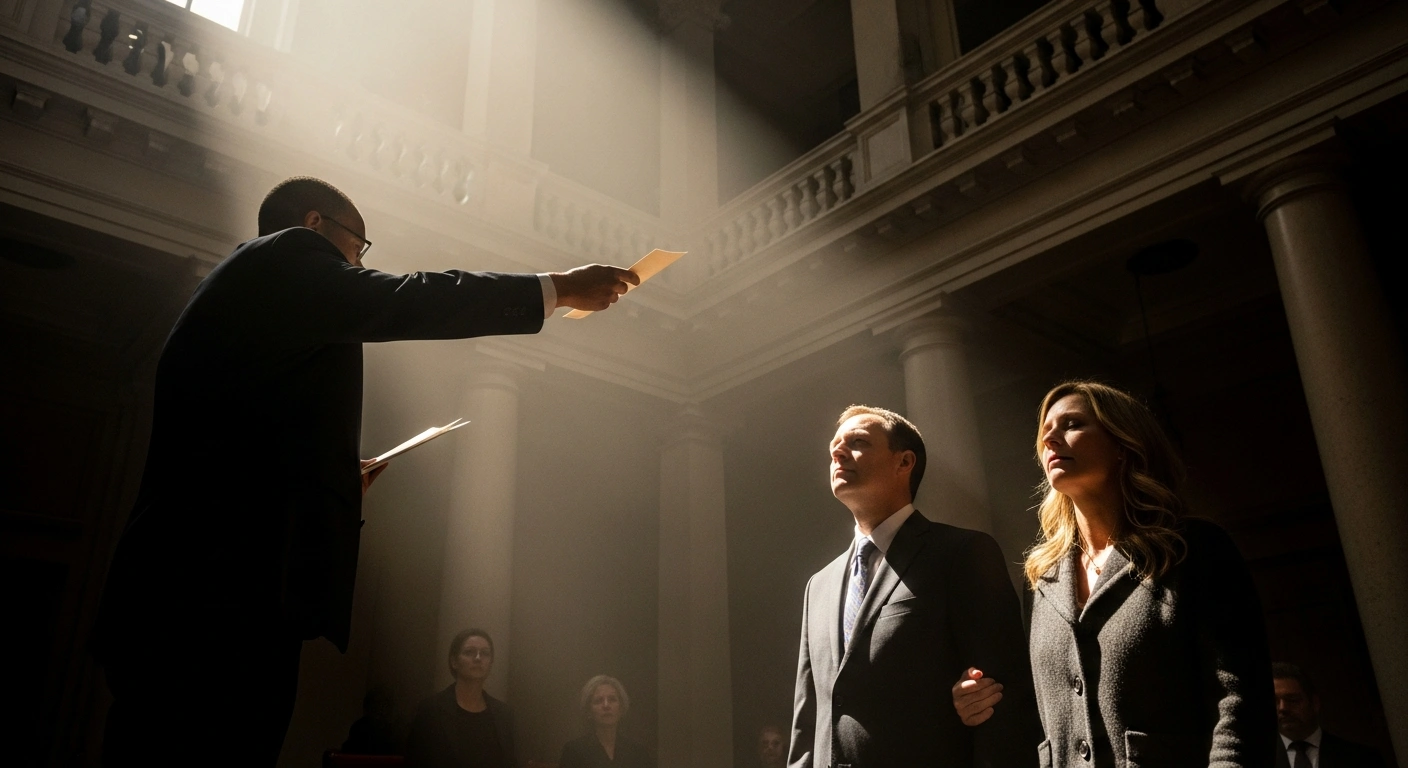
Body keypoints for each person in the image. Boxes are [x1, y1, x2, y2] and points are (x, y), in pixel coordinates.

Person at [93, 176, 638, 765]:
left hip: (199, 585)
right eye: (358, 248)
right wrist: (554, 288)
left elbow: (239, 442)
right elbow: (406, 297)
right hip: (212, 598)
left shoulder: (247, 299)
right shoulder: (284, 256)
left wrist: (329, 477)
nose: (358, 263)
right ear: (314, 225)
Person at [951, 380, 1276, 767]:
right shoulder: (1041, 577)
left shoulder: (1193, 548)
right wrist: (977, 699)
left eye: (1072, 424)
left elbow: (1239, 701)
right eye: (1046, 431)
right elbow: (1033, 705)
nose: (1051, 438)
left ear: (1124, 445)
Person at [789, 405, 1041, 768]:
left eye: (857, 442)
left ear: (904, 462)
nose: (838, 453)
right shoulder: (819, 585)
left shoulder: (961, 553)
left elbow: (1003, 696)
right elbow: (807, 717)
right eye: (834, 447)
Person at [406, 629, 515, 768]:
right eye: (469, 652)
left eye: (485, 653)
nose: (478, 658)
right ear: (454, 661)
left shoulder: (504, 715)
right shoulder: (430, 710)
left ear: (491, 663)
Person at [1273, 662, 1384, 768]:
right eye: (1275, 701)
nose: (1283, 708)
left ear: (1315, 703)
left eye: (1292, 700)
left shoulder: (1363, 758)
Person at [558, 675, 654, 768]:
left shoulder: (638, 753)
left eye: (612, 699)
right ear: (589, 710)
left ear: (621, 707)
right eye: (598, 701)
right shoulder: (574, 752)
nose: (606, 705)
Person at [341, 686, 402, 756]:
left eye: (383, 705)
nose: (380, 709)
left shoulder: (391, 731)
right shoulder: (359, 728)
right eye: (376, 704)